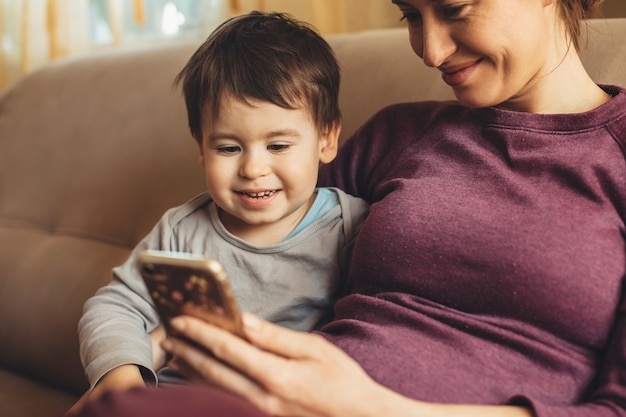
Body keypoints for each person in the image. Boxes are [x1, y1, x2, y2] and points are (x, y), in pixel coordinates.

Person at [66, 0, 626, 416]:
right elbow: (266, 230)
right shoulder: (402, 134)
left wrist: (370, 406)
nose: (429, 50)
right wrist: (141, 354)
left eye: (454, 7)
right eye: (409, 14)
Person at [71, 11, 368, 411]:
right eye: (228, 148)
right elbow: (114, 306)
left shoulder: (351, 226)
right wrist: (123, 377)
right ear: (201, 148)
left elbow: (370, 330)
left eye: (278, 146)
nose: (252, 169)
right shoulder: (181, 229)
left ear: (326, 139)